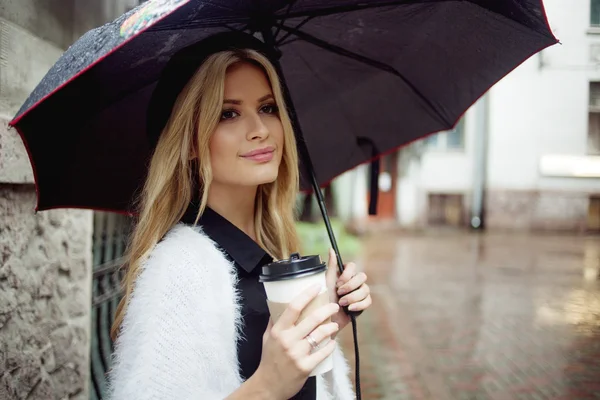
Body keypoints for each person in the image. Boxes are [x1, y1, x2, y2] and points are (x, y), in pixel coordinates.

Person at [107, 32, 372, 400]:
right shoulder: (180, 269)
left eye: (268, 108)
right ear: (192, 144)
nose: (261, 130)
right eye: (229, 114)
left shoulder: (268, 250)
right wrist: (267, 386)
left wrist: (320, 323)